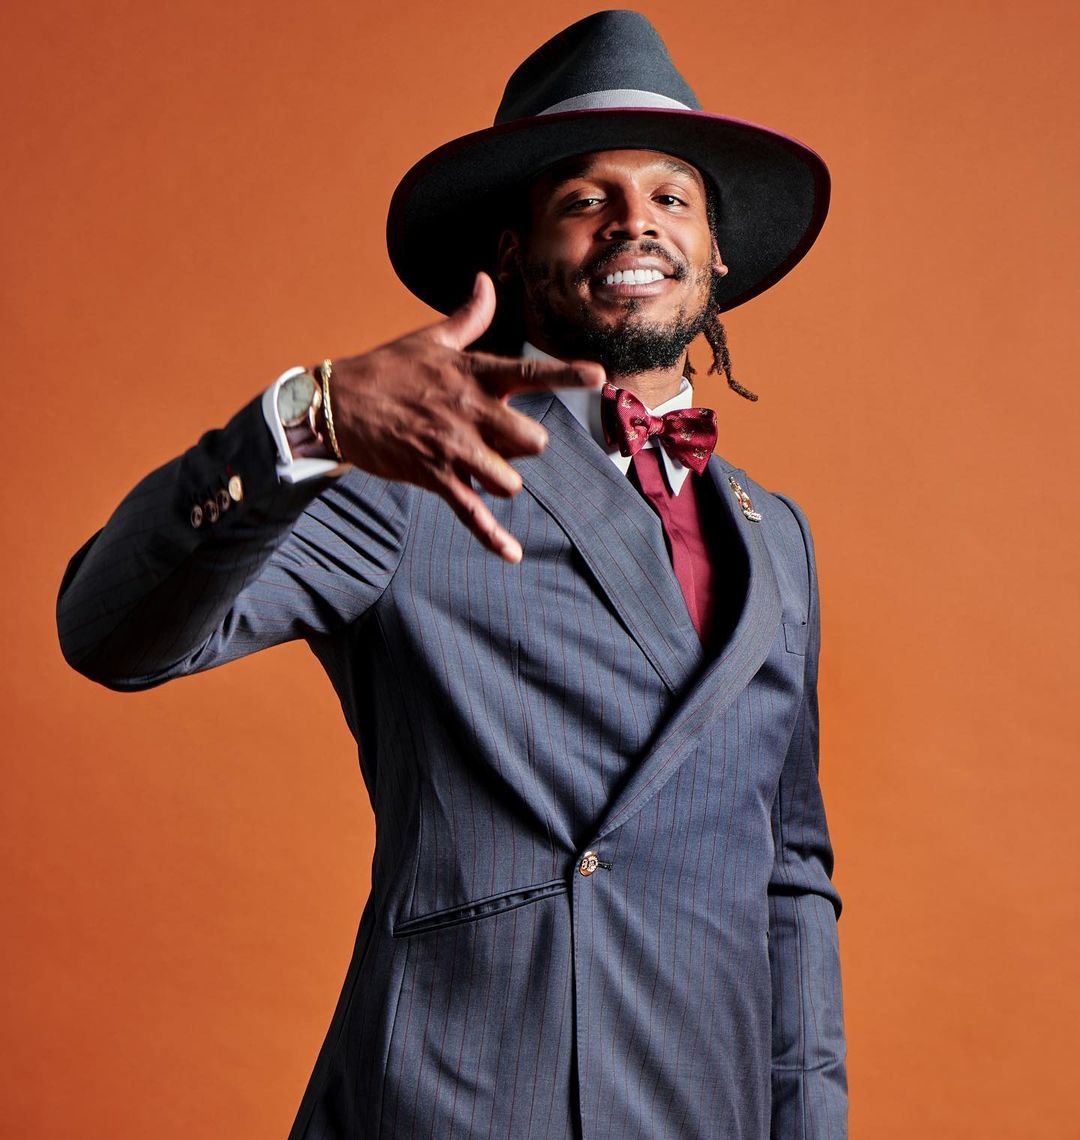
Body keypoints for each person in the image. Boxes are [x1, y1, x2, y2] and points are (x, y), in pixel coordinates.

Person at [57, 10, 847, 1139]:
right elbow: (108, 631)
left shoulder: (778, 537)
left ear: (716, 251)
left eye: (672, 197)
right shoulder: (406, 471)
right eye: (587, 198)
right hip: (461, 1099)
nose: (636, 221)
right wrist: (306, 421)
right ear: (513, 253)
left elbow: (791, 877)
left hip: (701, 1108)